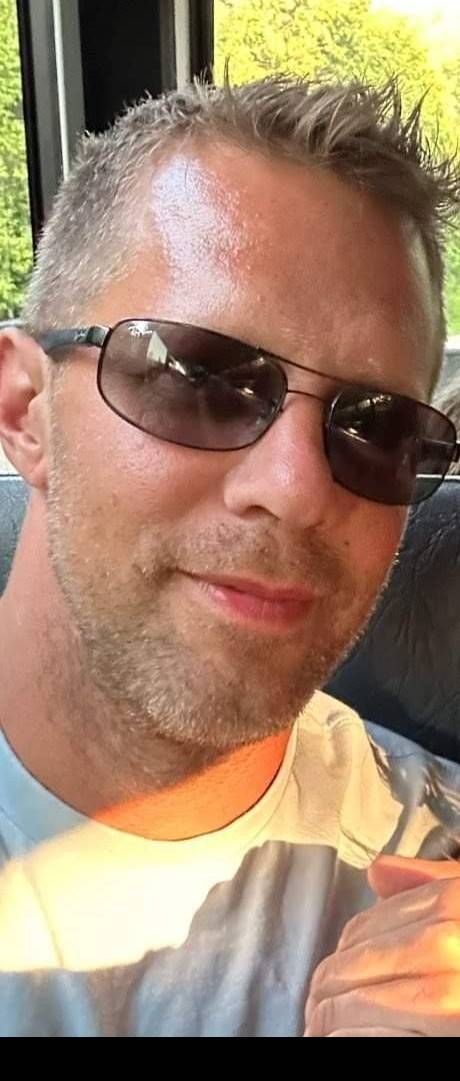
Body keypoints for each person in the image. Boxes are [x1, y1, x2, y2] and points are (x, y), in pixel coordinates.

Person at [0, 75, 459, 1038]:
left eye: (376, 429)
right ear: (25, 410)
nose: (297, 489)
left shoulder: (432, 872)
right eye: (200, 377)